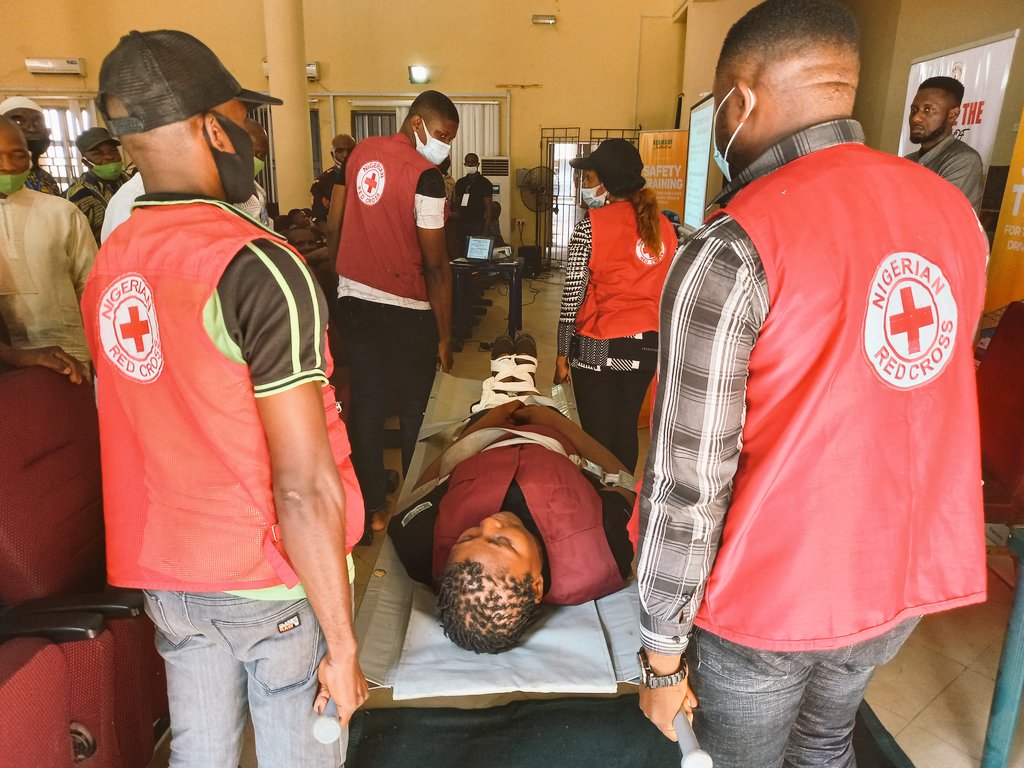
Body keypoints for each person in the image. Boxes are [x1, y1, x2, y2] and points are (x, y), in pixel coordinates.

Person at [636, 2, 988, 766]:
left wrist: (660, 652)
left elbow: (689, 477)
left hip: (772, 594)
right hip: (897, 581)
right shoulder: (956, 215)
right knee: (827, 742)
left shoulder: (734, 245)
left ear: (739, 101)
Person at [82, 30, 367, 766]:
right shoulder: (257, 267)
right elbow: (304, 484)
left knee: (200, 752)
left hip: (166, 573)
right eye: (244, 116)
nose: (252, 136)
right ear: (213, 125)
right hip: (262, 578)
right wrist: (342, 644)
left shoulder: (111, 263)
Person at [388, 333, 634, 653]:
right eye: (501, 542)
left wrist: (488, 420)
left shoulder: (421, 546)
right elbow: (625, 483)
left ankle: (500, 387)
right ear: (536, 586)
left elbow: (425, 483)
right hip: (551, 433)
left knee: (498, 380)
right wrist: (557, 423)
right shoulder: (602, 555)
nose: (489, 523)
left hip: (481, 434)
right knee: (529, 386)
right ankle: (523, 385)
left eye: (467, 537)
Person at [334, 89, 457, 539]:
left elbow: (336, 223)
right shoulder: (424, 176)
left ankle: (370, 511)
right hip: (406, 308)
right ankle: (413, 514)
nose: (445, 146)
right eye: (442, 135)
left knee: (366, 408)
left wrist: (341, 282)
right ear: (418, 124)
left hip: (354, 300)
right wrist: (444, 335)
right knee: (413, 412)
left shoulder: (361, 153)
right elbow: (435, 264)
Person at [554, 139, 677, 473]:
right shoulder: (666, 228)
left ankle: (600, 505)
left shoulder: (589, 228)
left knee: (596, 438)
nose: (585, 186)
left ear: (606, 182)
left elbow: (571, 300)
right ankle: (622, 505)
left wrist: (562, 353)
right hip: (647, 349)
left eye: (590, 178)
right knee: (624, 428)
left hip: (599, 346)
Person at [0, 114, 96, 383]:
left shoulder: (61, 212)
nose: (7, 166)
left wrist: (95, 353)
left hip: (69, 356)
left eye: (17, 155)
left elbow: (90, 287)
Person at [905, 75, 984, 212]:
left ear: (953, 115)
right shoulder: (907, 161)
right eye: (914, 110)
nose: (916, 118)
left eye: (928, 110)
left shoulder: (964, 160)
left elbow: (937, 216)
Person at [65, 127, 133, 243]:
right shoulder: (79, 195)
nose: (109, 157)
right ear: (86, 162)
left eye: (113, 151)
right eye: (98, 154)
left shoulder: (133, 182)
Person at [0, 96, 62, 195]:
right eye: (18, 122)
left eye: (37, 122)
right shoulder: (6, 178)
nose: (32, 129)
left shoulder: (47, 179)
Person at [311, 133, 355, 222]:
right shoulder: (321, 182)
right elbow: (318, 220)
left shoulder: (365, 176)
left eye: (350, 150)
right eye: (340, 151)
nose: (345, 155)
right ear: (332, 154)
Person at [234, 118, 271, 224]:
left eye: (261, 155)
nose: (255, 159)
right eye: (249, 152)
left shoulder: (259, 192)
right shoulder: (223, 194)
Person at [453, 152, 493, 241]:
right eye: (468, 162)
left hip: (478, 223)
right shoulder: (460, 182)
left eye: (473, 162)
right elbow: (457, 204)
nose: (470, 164)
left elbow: (489, 207)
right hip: (462, 223)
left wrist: (486, 229)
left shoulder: (485, 183)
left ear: (478, 164)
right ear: (464, 164)